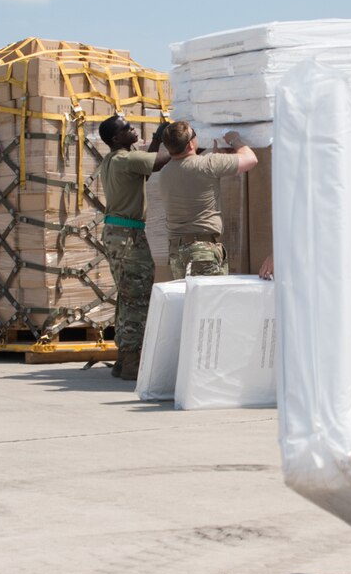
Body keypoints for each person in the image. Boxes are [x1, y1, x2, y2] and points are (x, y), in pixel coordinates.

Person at [95, 114, 170, 380]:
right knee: (137, 299)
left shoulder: (117, 159)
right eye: (127, 128)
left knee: (128, 298)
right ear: (116, 139)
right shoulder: (126, 159)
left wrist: (159, 139)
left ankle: (124, 357)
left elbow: (146, 165)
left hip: (120, 233)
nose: (133, 128)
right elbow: (159, 162)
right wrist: (184, 145)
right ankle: (131, 362)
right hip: (128, 235)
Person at [156, 122, 257, 278]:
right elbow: (250, 159)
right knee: (209, 301)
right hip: (202, 251)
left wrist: (219, 157)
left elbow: (198, 184)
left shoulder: (165, 172)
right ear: (190, 143)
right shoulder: (206, 164)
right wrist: (234, 140)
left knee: (189, 300)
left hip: (178, 250)